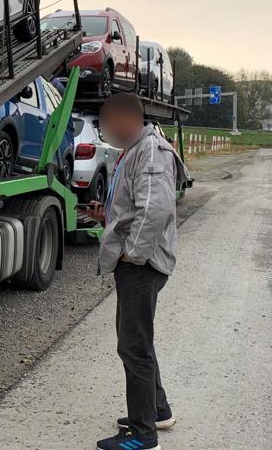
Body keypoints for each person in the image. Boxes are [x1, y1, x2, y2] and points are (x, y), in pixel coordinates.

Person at [83, 93, 189, 450]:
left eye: (108, 123)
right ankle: (157, 410)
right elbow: (135, 204)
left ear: (129, 119)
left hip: (142, 266)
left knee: (133, 346)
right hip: (138, 263)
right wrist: (107, 215)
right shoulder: (136, 148)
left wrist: (132, 254)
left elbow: (155, 209)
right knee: (138, 341)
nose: (106, 130)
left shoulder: (151, 152)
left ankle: (143, 435)